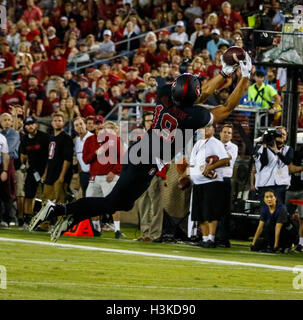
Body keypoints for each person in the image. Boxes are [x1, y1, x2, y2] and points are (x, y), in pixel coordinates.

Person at [29, 51, 253, 242]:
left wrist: (225, 73)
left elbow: (201, 92)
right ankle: (58, 211)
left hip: (140, 151)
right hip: (147, 160)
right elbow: (226, 107)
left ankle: (70, 216)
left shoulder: (165, 92)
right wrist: (244, 77)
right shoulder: (192, 116)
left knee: (122, 204)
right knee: (112, 202)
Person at [189, 125, 230, 248]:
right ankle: (205, 238)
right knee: (200, 214)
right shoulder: (198, 143)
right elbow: (193, 163)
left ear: (213, 130)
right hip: (197, 182)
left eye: (209, 127)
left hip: (211, 183)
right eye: (203, 128)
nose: (206, 130)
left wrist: (211, 167)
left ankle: (211, 239)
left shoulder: (215, 143)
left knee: (210, 212)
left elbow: (225, 160)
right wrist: (186, 175)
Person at [19, 116, 50, 228]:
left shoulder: (44, 137)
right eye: (27, 124)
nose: (30, 126)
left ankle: (45, 221)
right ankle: (28, 219)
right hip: (32, 171)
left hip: (45, 169)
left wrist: (46, 173)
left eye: (32, 123)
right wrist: (24, 164)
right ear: (25, 126)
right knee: (28, 195)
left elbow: (50, 156)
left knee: (45, 197)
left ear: (36, 124)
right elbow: (23, 155)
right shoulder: (25, 139)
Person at [251, 126, 293, 204]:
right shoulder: (264, 148)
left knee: (278, 211)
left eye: (284, 134)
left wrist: (276, 151)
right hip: (265, 185)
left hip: (280, 185)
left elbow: (287, 161)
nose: (281, 136)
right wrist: (264, 146)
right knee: (265, 211)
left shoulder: (288, 149)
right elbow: (264, 162)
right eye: (279, 134)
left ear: (286, 137)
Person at [216, 123, 238, 248]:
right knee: (213, 209)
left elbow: (226, 159)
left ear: (232, 135)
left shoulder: (233, 147)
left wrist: (214, 159)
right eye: (224, 132)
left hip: (225, 180)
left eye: (229, 132)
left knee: (224, 210)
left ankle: (223, 239)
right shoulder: (213, 144)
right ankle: (211, 236)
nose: (226, 134)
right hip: (213, 179)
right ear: (220, 133)